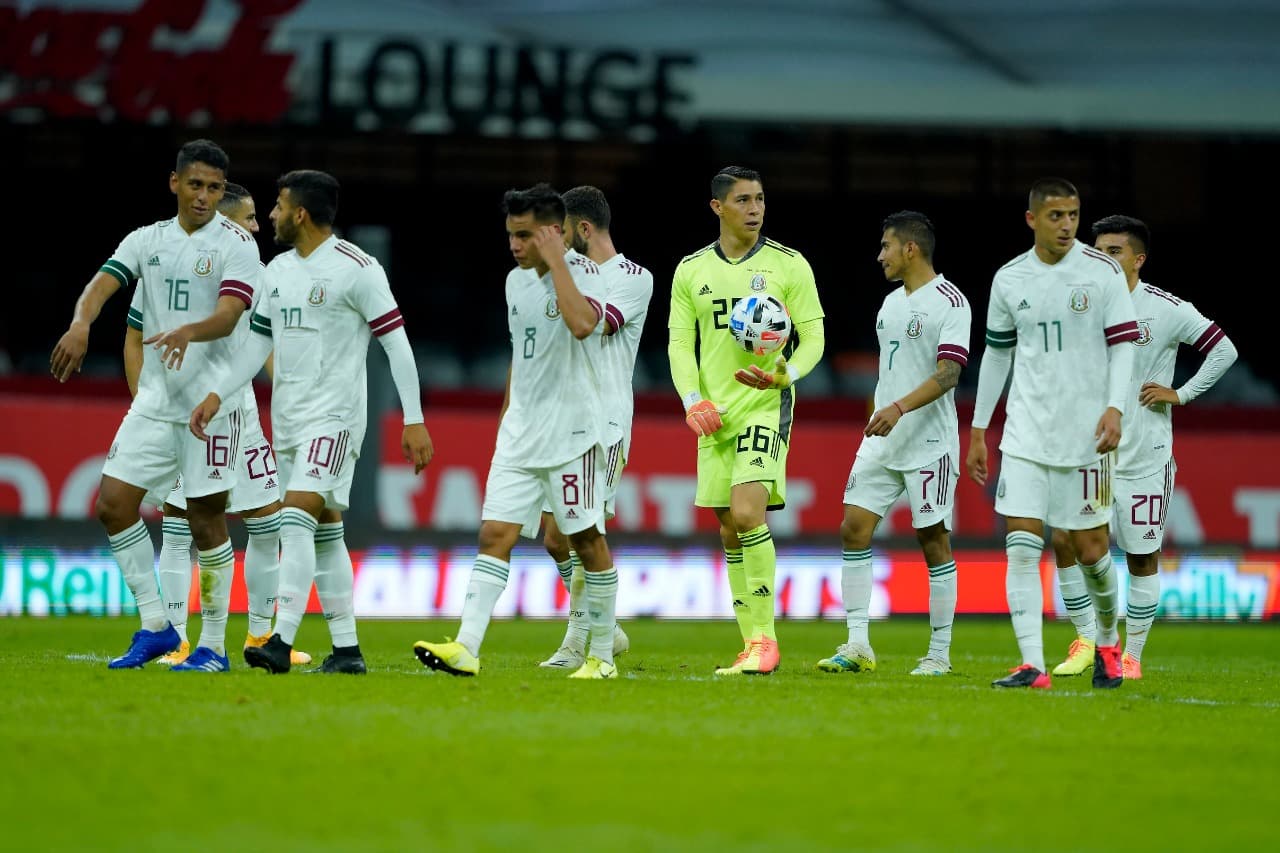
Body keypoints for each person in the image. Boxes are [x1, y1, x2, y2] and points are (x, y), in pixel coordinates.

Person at [176, 169, 434, 674]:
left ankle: (280, 639)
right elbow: (256, 345)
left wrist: (414, 418)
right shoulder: (276, 271)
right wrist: (216, 395)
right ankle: (347, 651)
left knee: (294, 516)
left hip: (335, 418)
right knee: (325, 531)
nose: (270, 214)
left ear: (300, 213)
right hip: (290, 422)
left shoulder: (358, 269)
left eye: (277, 205)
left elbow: (397, 344)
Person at [49, 139, 260, 671]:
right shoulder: (147, 240)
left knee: (205, 519)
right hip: (157, 401)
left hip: (212, 406)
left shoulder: (238, 243)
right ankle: (157, 626)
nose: (204, 196)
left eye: (213, 187)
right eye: (195, 185)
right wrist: (80, 323)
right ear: (175, 183)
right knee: (113, 504)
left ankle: (213, 647)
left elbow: (230, 314)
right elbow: (101, 284)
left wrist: (189, 331)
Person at [413, 184, 621, 680]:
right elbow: (520, 358)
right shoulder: (514, 282)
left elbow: (582, 325)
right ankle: (466, 647)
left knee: (585, 540)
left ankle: (603, 656)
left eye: (525, 235)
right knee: (494, 534)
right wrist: (507, 419)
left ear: (554, 232)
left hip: (573, 435)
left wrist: (557, 263)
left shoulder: (591, 275)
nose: (514, 245)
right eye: (510, 234)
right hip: (521, 434)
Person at [124, 183, 310, 668]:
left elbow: (264, 344)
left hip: (238, 411)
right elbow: (134, 339)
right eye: (248, 218)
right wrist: (146, 403)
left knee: (267, 523)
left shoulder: (257, 273)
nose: (257, 226)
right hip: (179, 412)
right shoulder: (163, 266)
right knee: (178, 524)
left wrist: (289, 397)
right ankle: (177, 640)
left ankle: (260, 637)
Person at [967, 177, 1139, 690]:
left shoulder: (1102, 271)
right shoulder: (1009, 279)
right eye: (1056, 216)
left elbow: (1124, 346)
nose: (1067, 225)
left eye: (1073, 215)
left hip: (1086, 437)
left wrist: (1115, 407)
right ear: (1032, 219)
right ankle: (1032, 665)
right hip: (1025, 434)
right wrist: (978, 428)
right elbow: (997, 354)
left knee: (1091, 550)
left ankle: (1106, 641)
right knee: (1021, 546)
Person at [1050, 215, 1237, 680]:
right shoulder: (1078, 305)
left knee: (1141, 557)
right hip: (1089, 454)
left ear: (1138, 259)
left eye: (1113, 251)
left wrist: (1182, 394)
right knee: (1066, 541)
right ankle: (1088, 640)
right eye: (1096, 251)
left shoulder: (1166, 308)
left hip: (1144, 459)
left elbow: (1224, 349)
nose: (1101, 259)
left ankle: (1131, 655)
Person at [668, 166, 826, 676]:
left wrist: (787, 375)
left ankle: (766, 642)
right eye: (743, 200)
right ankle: (752, 643)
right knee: (729, 529)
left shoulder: (789, 264)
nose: (754, 208)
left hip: (765, 404)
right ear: (718, 207)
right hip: (714, 415)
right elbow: (679, 344)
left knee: (746, 514)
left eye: (759, 198)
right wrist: (693, 401)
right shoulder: (691, 270)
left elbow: (814, 337)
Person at [817, 211, 969, 676]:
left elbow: (950, 374)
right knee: (853, 527)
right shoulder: (889, 304)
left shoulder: (950, 302)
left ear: (910, 248)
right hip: (882, 438)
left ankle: (939, 654)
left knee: (932, 540)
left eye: (886, 246)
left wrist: (898, 408)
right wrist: (886, 408)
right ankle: (857, 644)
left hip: (929, 442)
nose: (880, 255)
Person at [536, 185, 651, 670]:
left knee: (584, 531)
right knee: (553, 537)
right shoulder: (563, 274)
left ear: (583, 228)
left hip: (605, 421)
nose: (559, 243)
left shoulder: (634, 278)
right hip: (560, 417)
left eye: (563, 233)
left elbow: (592, 325)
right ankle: (609, 627)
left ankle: (579, 642)